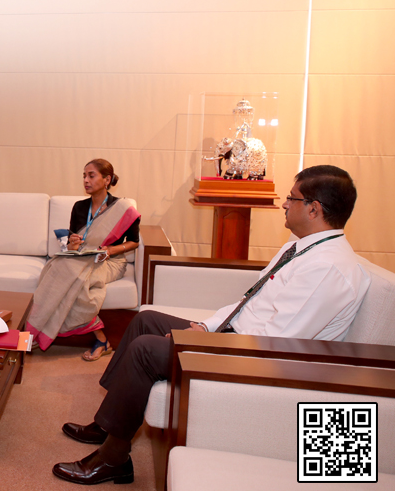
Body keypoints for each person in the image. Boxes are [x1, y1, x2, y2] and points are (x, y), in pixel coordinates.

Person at [52, 165, 371, 485]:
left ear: (314, 209)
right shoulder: (302, 248)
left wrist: (209, 343)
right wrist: (207, 327)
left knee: (145, 350)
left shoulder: (328, 268)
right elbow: (249, 302)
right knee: (145, 321)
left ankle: (113, 459)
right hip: (238, 339)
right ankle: (109, 424)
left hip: (260, 362)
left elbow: (278, 341)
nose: (285, 204)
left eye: (292, 198)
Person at [26, 159, 140, 359]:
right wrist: (72, 242)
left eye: (91, 175)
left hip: (110, 260)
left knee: (75, 279)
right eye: (84, 176)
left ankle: (38, 332)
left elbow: (134, 242)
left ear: (107, 180)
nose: (86, 180)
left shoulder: (123, 208)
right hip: (82, 257)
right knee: (57, 267)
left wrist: (111, 251)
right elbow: (70, 245)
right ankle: (100, 340)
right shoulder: (79, 207)